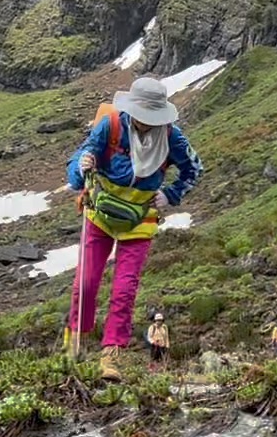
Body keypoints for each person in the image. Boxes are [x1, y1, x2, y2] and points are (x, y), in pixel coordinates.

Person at [67, 76, 205, 381]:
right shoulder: (111, 125)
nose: (145, 123)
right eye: (142, 116)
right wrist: (83, 166)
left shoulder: (172, 137)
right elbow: (79, 157)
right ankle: (74, 346)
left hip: (140, 220)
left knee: (125, 289)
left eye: (151, 118)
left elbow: (194, 168)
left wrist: (171, 194)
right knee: (85, 284)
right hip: (100, 214)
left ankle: (110, 357)